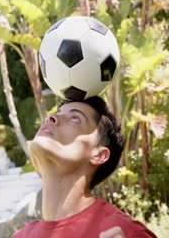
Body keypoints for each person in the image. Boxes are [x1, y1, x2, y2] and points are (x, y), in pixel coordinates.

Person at [12, 96, 157, 238]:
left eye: (75, 118)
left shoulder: (125, 232)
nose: (50, 117)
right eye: (57, 113)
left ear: (99, 155)